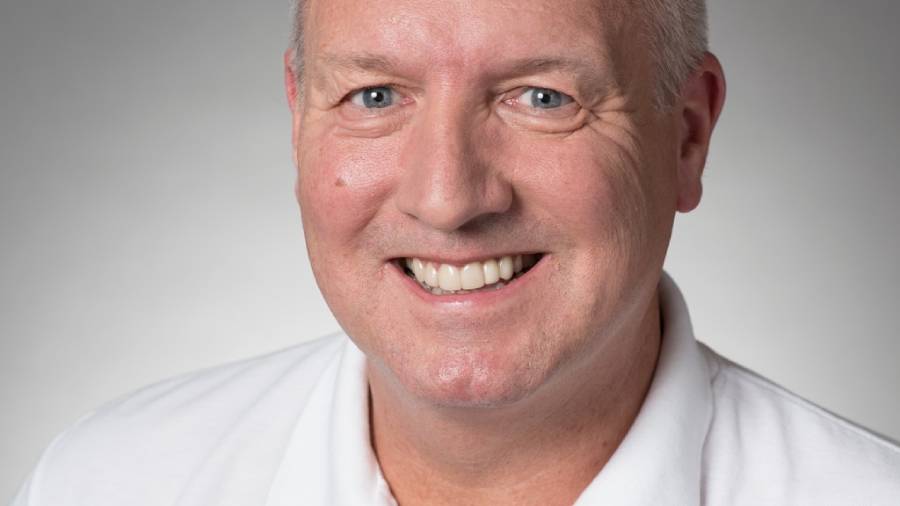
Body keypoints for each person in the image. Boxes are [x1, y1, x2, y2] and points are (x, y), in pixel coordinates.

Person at [12, 0, 900, 504]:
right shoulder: (108, 480)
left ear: (688, 138)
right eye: (373, 95)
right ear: (297, 121)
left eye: (542, 97)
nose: (448, 196)